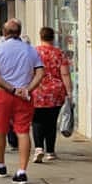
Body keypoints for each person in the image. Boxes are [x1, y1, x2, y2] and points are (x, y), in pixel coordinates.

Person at [0, 19, 45, 184]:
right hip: (24, 96)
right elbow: (40, 73)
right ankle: (22, 171)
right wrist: (27, 89)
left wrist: (11, 89)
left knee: (0, 131)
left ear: (4, 33)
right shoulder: (30, 50)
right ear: (19, 32)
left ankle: (1, 165)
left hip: (1, 94)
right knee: (23, 131)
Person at [31, 27, 73, 163]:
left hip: (37, 90)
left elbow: (29, 72)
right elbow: (65, 74)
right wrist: (69, 92)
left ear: (40, 37)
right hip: (56, 92)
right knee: (51, 121)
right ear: (53, 38)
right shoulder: (59, 53)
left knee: (37, 120)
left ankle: (38, 148)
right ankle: (50, 151)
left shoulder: (34, 52)